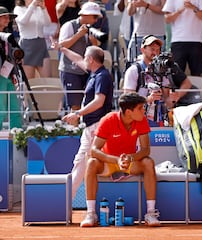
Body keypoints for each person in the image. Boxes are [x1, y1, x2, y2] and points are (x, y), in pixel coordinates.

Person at [80, 92, 160, 227]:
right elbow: (94, 150)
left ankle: (151, 213)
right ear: (129, 112)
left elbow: (146, 150)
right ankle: (91, 213)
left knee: (148, 162)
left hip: (129, 163)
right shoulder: (108, 120)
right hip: (109, 162)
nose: (143, 111)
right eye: (140, 108)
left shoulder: (141, 121)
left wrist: (130, 158)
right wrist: (116, 160)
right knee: (91, 162)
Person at [52, 42, 113, 199]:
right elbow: (78, 59)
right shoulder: (95, 73)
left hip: (97, 126)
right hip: (92, 126)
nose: (83, 60)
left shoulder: (102, 76)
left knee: (81, 163)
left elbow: (99, 101)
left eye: (86, 57)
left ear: (91, 59)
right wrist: (62, 49)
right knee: (86, 164)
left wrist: (77, 113)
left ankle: (64, 202)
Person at [123, 35, 193, 126]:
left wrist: (173, 98)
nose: (155, 53)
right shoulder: (134, 70)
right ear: (143, 50)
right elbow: (127, 99)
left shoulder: (162, 71)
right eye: (152, 49)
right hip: (138, 121)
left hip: (158, 122)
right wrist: (148, 99)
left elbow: (166, 102)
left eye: (157, 50)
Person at [58, 1, 101, 112]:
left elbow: (97, 51)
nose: (96, 20)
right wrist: (78, 35)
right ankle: (74, 128)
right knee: (75, 106)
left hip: (86, 71)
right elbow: (61, 46)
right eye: (95, 16)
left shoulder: (92, 29)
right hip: (70, 71)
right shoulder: (69, 26)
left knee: (88, 104)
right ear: (85, 15)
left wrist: (94, 42)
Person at [162, 0, 202, 76]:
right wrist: (179, 11)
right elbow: (167, 19)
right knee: (176, 74)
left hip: (196, 40)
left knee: (197, 73)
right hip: (178, 40)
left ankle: (198, 88)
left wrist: (193, 8)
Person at [14, 0, 52, 79]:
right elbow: (23, 21)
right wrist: (32, 6)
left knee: (47, 78)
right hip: (27, 46)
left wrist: (44, 9)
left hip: (41, 44)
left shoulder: (38, 9)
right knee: (29, 80)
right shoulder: (18, 9)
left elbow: (48, 23)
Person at [0, 6, 22, 130]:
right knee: (1, 110)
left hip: (8, 75)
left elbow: (15, 55)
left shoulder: (9, 37)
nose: (8, 20)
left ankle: (17, 137)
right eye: (4, 17)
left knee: (15, 109)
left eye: (8, 17)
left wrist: (14, 73)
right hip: (1, 76)